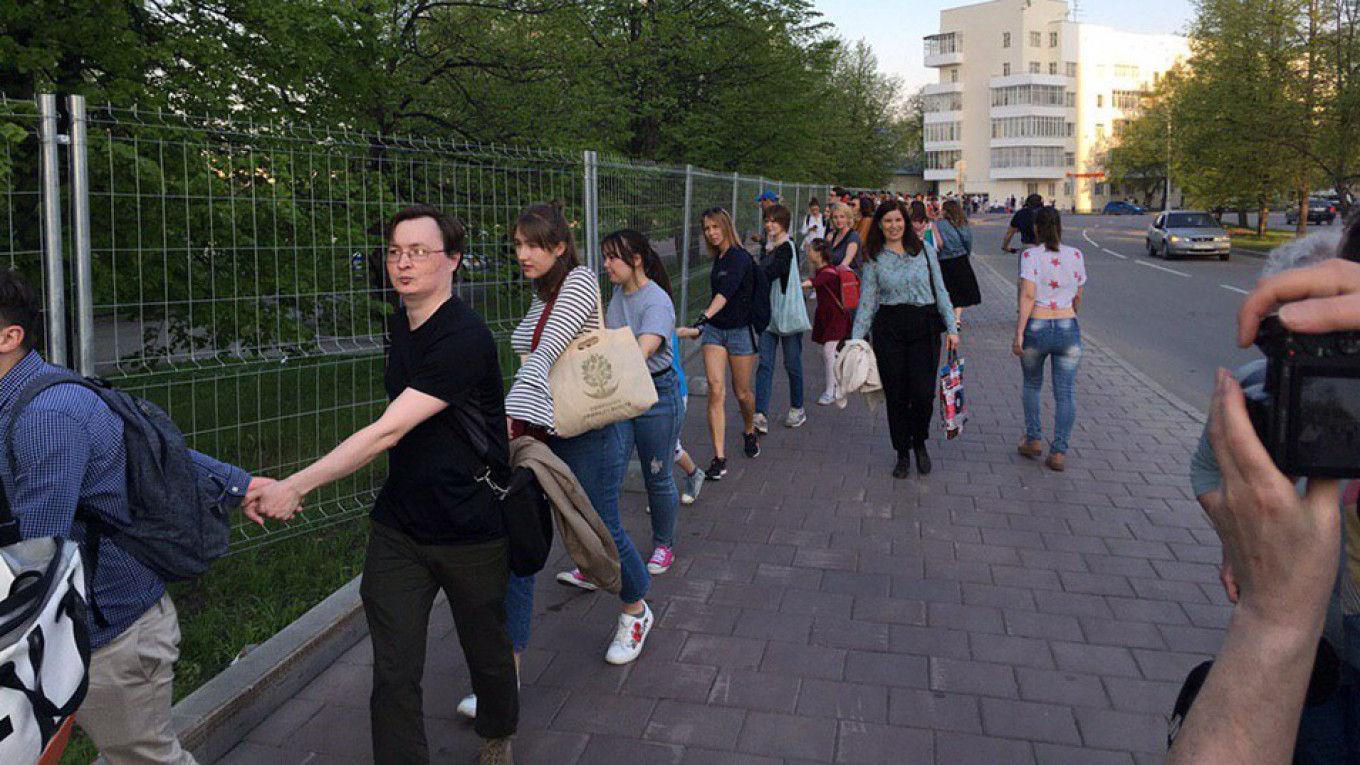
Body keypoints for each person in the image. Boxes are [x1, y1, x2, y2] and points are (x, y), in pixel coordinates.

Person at [248, 205, 518, 765]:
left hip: (469, 527)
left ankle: (498, 734)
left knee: (487, 653)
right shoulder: (400, 324)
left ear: (454, 261)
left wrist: (297, 484)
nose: (403, 262)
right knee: (394, 671)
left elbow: (387, 430)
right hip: (400, 528)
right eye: (395, 251)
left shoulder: (466, 337)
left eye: (419, 251)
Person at [0, 269, 262, 765]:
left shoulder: (44, 417)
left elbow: (37, 554)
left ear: (9, 337)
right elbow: (142, 449)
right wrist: (239, 482)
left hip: (107, 637)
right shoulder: (33, 392)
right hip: (81, 626)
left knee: (145, 759)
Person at [1165, 257, 1360, 763]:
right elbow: (1209, 473)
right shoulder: (1263, 393)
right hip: (1325, 654)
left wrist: (1273, 620)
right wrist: (1246, 548)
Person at [499, 204, 655, 668]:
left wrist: (507, 416)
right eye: (518, 245)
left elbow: (546, 353)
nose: (522, 254)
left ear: (560, 247)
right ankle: (505, 678)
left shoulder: (579, 282)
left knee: (600, 527)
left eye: (532, 245)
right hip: (543, 431)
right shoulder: (540, 292)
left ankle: (636, 609)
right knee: (522, 540)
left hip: (589, 430)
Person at [850, 200, 960, 479]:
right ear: (880, 225)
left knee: (923, 395)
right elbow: (867, 301)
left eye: (898, 220)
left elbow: (941, 290)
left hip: (924, 327)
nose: (894, 226)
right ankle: (902, 452)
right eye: (887, 221)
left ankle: (919, 441)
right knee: (897, 396)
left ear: (906, 222)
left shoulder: (924, 251)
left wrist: (952, 328)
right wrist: (855, 341)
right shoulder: (873, 257)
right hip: (889, 331)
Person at [600, 229, 685, 575]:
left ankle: (664, 545)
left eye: (611, 257)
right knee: (609, 473)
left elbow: (642, 350)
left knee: (657, 475)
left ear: (635, 259)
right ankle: (600, 557)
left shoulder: (657, 300)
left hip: (657, 395)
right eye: (604, 257)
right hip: (623, 394)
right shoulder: (617, 296)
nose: (605, 265)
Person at [677, 207, 760, 479]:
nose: (711, 233)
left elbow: (725, 294)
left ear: (726, 226)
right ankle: (719, 457)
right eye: (706, 229)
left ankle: (749, 428)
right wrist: (707, 324)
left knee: (742, 393)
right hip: (715, 332)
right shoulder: (719, 258)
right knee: (715, 388)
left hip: (739, 332)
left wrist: (701, 319)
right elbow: (719, 297)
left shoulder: (739, 258)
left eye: (715, 227)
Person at [1013, 206, 1086, 473]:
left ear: (1036, 228)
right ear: (1060, 227)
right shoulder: (1076, 254)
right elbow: (1078, 296)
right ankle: (1059, 452)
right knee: (1065, 392)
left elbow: (1028, 295)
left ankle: (1033, 438)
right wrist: (1067, 315)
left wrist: (1020, 331)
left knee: (1032, 384)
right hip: (1068, 326)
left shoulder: (1031, 255)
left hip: (1038, 325)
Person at [753, 204, 806, 433]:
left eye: (774, 221)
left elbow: (773, 272)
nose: (769, 224)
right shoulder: (768, 246)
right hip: (769, 313)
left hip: (788, 314)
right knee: (764, 364)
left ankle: (797, 407)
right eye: (767, 220)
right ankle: (760, 413)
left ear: (784, 223)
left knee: (791, 363)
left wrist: (751, 271)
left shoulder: (786, 247)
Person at [802, 238, 850, 406]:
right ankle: (840, 377)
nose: (808, 253)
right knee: (824, 352)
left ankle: (831, 391)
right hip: (827, 316)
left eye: (810, 250)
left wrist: (796, 285)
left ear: (819, 253)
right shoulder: (825, 270)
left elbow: (813, 284)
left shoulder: (827, 272)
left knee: (828, 351)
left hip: (834, 317)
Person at [669, 329, 705, 505]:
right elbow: (681, 331)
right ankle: (661, 493)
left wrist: (694, 331)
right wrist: (694, 331)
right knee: (658, 448)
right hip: (649, 394)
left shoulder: (658, 323)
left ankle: (693, 473)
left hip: (674, 394)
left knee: (669, 447)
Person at [935, 199, 982, 328]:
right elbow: (968, 240)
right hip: (959, 258)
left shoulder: (938, 224)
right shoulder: (961, 223)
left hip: (942, 259)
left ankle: (946, 316)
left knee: (946, 289)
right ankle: (957, 318)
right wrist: (966, 253)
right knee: (960, 289)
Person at [825, 202, 861, 270]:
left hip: (848, 276)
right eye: (835, 217)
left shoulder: (853, 236)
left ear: (847, 218)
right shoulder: (831, 237)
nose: (839, 220)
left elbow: (848, 258)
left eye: (842, 217)